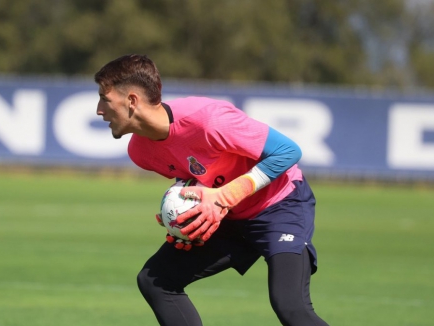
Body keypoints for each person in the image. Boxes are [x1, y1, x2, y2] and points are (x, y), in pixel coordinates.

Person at [94, 54, 329, 326]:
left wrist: (224, 198)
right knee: (156, 281)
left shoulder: (207, 120)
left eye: (104, 98)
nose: (99, 110)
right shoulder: (140, 152)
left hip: (279, 206)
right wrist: (183, 216)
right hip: (227, 217)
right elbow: (197, 178)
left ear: (132, 101)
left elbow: (288, 151)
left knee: (290, 306)